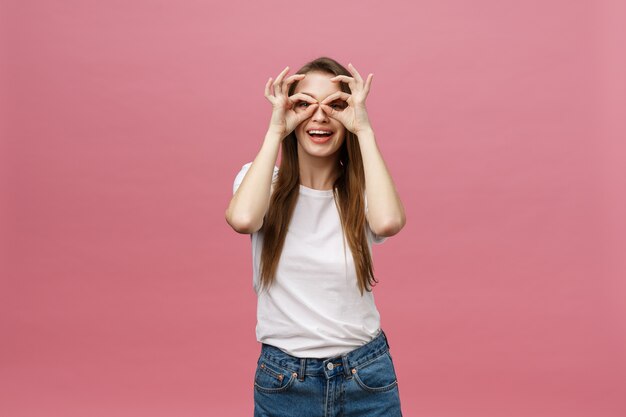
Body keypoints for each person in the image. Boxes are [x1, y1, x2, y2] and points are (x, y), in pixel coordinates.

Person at [225, 56, 406, 417]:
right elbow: (243, 219)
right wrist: (275, 130)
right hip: (286, 381)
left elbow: (387, 222)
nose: (320, 117)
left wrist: (364, 129)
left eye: (335, 105)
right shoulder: (264, 182)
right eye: (304, 104)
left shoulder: (363, 193)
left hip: (366, 375)